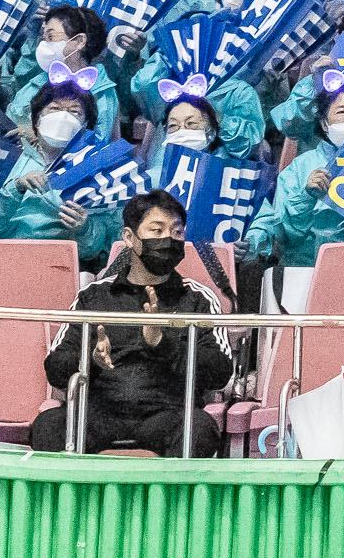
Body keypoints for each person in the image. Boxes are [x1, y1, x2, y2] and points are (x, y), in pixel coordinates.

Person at [29, 191, 232, 456]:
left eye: (177, 232)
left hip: (168, 413)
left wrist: (163, 343)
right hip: (99, 412)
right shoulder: (94, 296)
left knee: (200, 429)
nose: (168, 240)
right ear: (129, 238)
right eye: (156, 231)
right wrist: (89, 359)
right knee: (49, 425)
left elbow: (219, 373)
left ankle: (168, 498)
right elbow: (55, 370)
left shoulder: (198, 299)